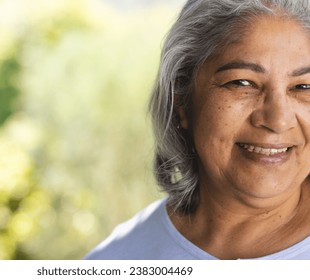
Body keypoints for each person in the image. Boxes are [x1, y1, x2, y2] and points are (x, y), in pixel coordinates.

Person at [85, 0, 310, 260]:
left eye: (303, 87)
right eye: (241, 82)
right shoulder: (116, 259)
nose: (278, 120)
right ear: (181, 100)